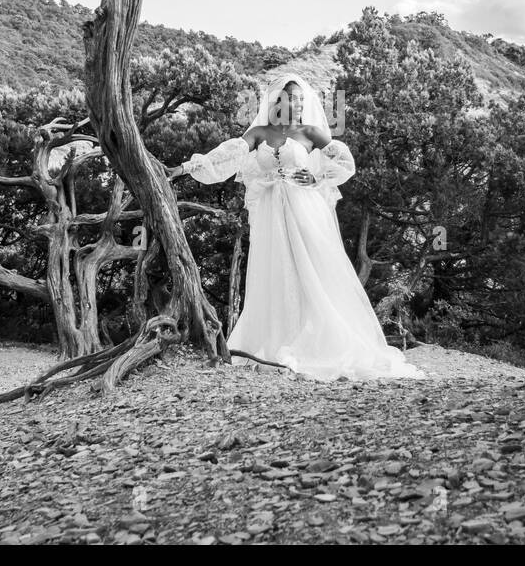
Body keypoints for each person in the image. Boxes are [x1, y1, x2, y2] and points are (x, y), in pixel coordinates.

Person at [166, 72, 426, 382]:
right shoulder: (260, 132)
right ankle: (275, 339)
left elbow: (344, 162)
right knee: (275, 273)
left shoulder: (311, 132)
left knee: (313, 272)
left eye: (303, 99)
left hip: (305, 210)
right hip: (271, 216)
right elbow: (229, 153)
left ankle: (319, 342)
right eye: (294, 98)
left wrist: (319, 179)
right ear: (280, 101)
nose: (299, 103)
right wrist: (185, 168)